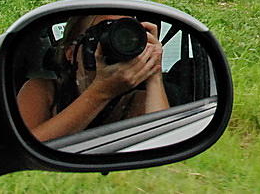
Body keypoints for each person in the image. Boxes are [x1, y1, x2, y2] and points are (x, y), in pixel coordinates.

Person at [17, 14, 169, 142]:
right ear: (71, 52)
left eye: (125, 37)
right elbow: (29, 145)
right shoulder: (42, 90)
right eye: (101, 35)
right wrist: (102, 92)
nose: (113, 45)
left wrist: (154, 74)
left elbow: (163, 143)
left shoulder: (138, 99)